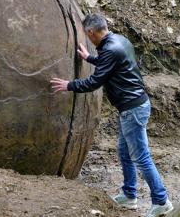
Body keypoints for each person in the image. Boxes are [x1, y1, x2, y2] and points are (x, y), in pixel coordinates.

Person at [50, 13, 173, 217]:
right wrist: (89, 58)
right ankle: (129, 195)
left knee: (141, 157)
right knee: (124, 152)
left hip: (133, 109)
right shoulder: (119, 41)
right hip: (134, 106)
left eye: (87, 35)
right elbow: (112, 64)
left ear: (91, 32)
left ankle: (161, 201)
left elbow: (94, 82)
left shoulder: (110, 50)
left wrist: (68, 85)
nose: (88, 39)